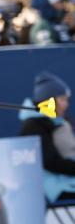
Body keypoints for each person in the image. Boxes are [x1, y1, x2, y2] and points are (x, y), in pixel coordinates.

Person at [18, 71, 75, 203]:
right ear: (49, 102)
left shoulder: (61, 120)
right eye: (62, 99)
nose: (66, 104)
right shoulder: (33, 126)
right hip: (53, 187)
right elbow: (50, 162)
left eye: (67, 100)